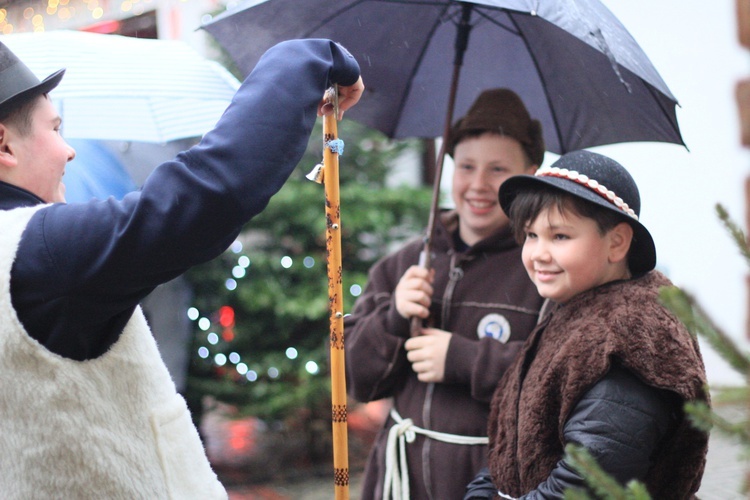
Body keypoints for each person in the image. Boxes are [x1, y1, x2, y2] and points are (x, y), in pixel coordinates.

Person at [0, 39, 363, 498]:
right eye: (54, 129)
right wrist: (308, 59)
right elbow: (208, 191)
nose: (69, 151)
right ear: (4, 144)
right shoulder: (35, 250)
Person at [465, 150, 709, 499]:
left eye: (560, 236)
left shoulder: (634, 333)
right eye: (531, 235)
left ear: (617, 242)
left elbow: (587, 481)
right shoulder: (578, 309)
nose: (538, 254)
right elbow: (511, 450)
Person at [345, 88, 546, 499]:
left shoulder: (542, 268)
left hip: (487, 485)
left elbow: (555, 379)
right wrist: (394, 318)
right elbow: (356, 380)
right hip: (401, 482)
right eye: (466, 166)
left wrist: (461, 358)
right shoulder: (403, 264)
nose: (478, 185)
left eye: (498, 170)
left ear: (532, 173)